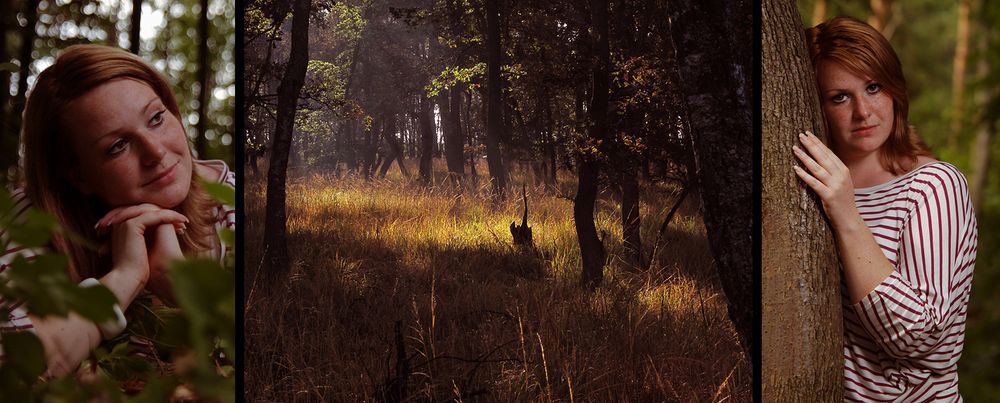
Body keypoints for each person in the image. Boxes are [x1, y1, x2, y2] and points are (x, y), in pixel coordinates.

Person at [0, 44, 235, 377]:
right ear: (78, 175)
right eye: (117, 147)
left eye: (156, 118)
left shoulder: (233, 203)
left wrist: (185, 290)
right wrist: (124, 278)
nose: (155, 152)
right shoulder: (28, 221)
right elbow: (14, 373)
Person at [794, 16, 977, 401]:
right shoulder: (804, 188)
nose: (864, 111)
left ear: (894, 90)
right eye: (840, 97)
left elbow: (921, 336)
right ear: (816, 105)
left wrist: (845, 212)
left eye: (873, 87)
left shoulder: (933, 187)